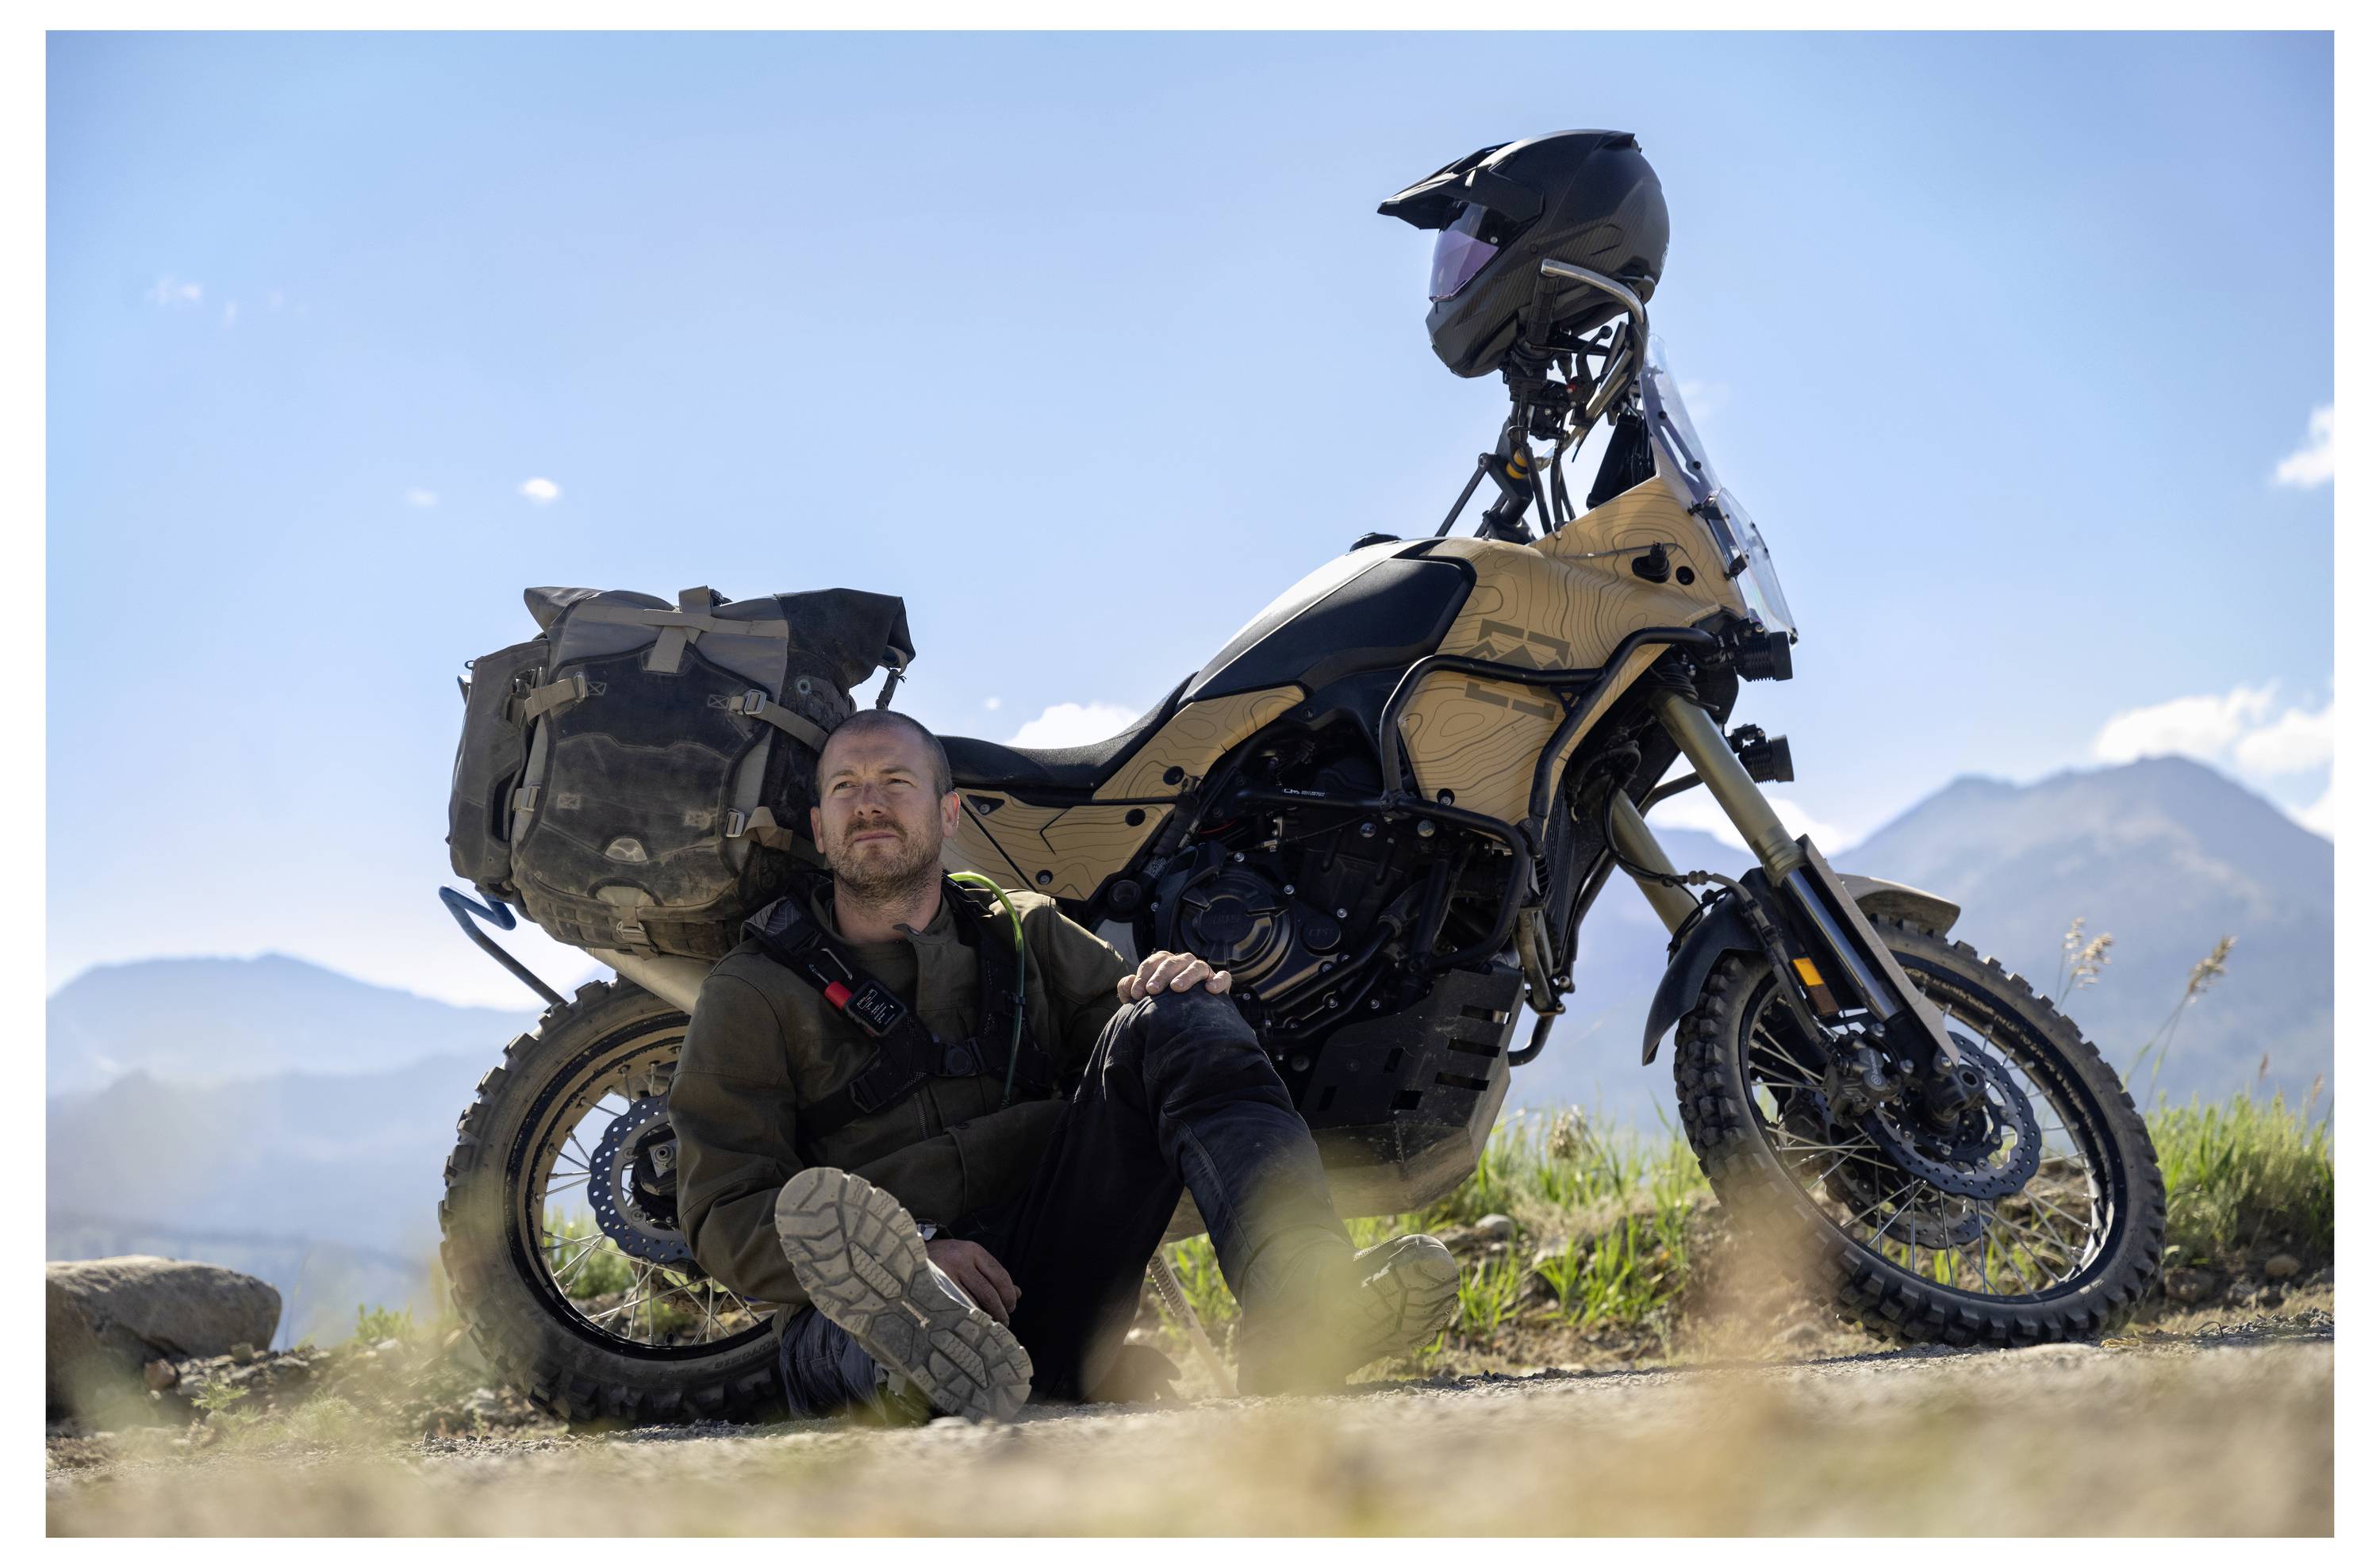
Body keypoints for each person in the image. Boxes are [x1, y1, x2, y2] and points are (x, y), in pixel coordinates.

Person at [669, 708, 1458, 1422]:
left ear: (949, 814)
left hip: (1049, 1271)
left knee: (1188, 1015)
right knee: (881, 1327)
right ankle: (927, 1363)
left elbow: (1136, 1052)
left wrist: (1171, 989)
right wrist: (914, 1250)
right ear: (819, 823)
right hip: (862, 1313)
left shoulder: (1024, 935)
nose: (868, 801)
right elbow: (720, 1211)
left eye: (895, 781)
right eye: (845, 787)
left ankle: (1301, 1309)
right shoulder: (753, 991)